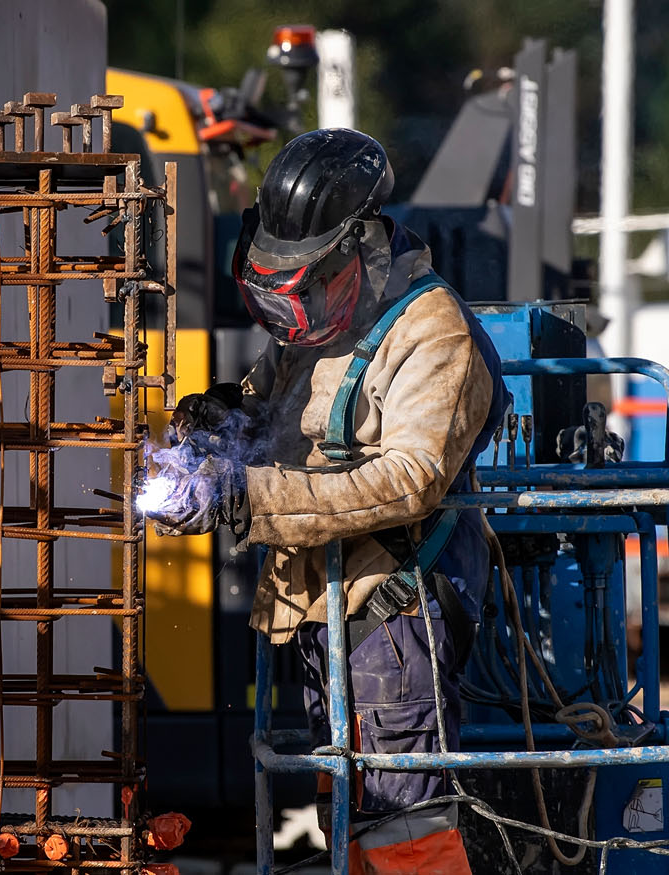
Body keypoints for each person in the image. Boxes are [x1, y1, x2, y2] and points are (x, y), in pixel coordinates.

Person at [142, 129, 508, 841]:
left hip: (394, 616)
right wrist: (221, 419)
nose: (295, 309)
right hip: (322, 611)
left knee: (403, 826)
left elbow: (411, 479)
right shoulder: (318, 326)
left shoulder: (433, 333)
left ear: (360, 248)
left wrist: (242, 495)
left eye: (310, 283)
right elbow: (277, 414)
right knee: (350, 815)